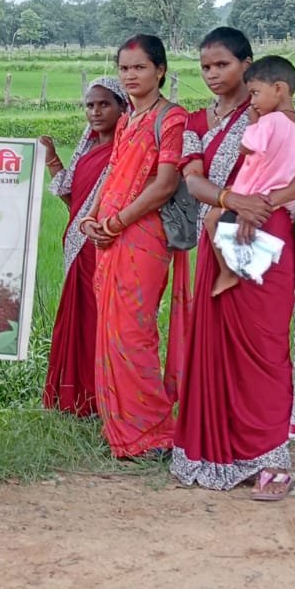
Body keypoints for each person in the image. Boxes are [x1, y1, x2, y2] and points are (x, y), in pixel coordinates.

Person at [171, 28, 295, 494]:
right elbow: (193, 181)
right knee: (216, 348)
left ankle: (270, 457)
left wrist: (265, 201)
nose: (212, 74)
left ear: (247, 65)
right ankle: (215, 450)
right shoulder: (196, 122)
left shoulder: (276, 115)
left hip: (268, 236)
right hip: (221, 236)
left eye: (222, 64)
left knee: (265, 346)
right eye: (205, 66)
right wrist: (233, 199)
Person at [79, 35, 192, 459]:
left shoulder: (172, 118)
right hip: (109, 238)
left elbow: (164, 184)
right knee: (111, 331)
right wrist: (92, 217)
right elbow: (112, 173)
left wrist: (116, 222)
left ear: (160, 71)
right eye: (124, 68)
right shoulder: (127, 121)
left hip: (143, 238)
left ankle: (154, 432)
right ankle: (122, 426)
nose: (130, 75)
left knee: (133, 332)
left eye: (139, 67)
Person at [40, 77, 129, 415]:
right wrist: (51, 157)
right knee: (77, 321)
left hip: (105, 246)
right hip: (78, 246)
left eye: (104, 104)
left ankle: (104, 399)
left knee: (100, 322)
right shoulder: (88, 150)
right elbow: (72, 200)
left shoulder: (125, 153)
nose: (95, 112)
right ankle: (74, 398)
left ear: (122, 107)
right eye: (90, 105)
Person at [205, 56, 295, 296]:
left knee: (211, 220)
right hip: (282, 203)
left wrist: (254, 124)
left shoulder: (268, 121)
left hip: (250, 194)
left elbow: (246, 148)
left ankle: (227, 273)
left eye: (255, 93)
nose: (252, 102)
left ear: (279, 89)